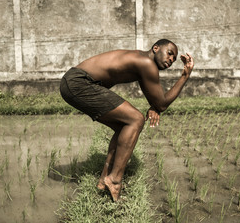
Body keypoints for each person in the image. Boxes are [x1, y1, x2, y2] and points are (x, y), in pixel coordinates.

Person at [59, 39, 194, 201]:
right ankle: (115, 179)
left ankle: (104, 180)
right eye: (169, 53)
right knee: (136, 119)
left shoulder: (141, 61)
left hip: (75, 82)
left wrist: (155, 106)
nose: (171, 60)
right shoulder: (146, 63)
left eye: (174, 59)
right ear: (156, 48)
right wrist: (185, 76)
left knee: (124, 125)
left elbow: (157, 101)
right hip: (79, 83)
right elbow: (162, 103)